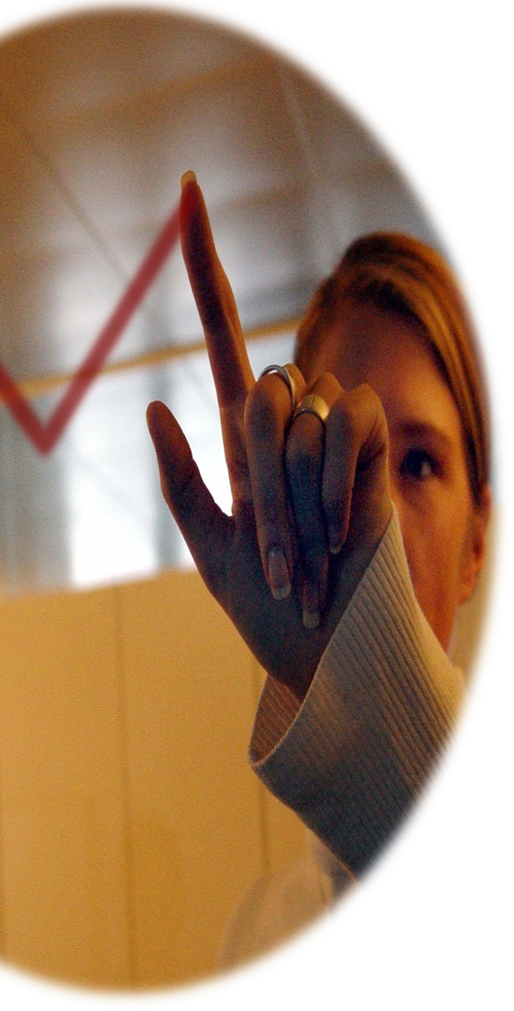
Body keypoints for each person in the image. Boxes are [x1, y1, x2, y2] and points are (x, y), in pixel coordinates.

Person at [146, 171, 494, 984]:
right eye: (337, 450)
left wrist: (392, 736)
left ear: (478, 540)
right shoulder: (255, 936)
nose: (380, 512)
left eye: (418, 463)